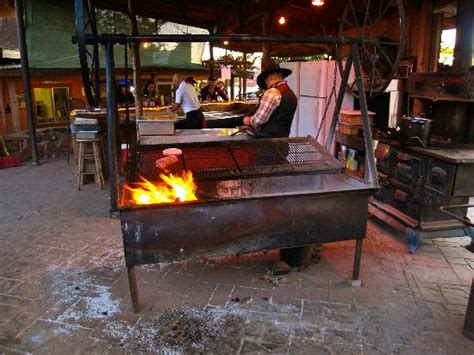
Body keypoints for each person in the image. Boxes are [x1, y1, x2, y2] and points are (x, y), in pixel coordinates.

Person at [243, 61, 297, 138]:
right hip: (283, 140)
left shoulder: (273, 92)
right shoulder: (291, 94)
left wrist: (247, 120)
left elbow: (258, 120)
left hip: (267, 142)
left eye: (265, 79)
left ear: (269, 78)